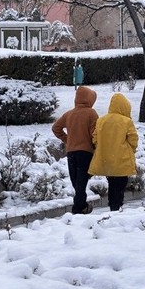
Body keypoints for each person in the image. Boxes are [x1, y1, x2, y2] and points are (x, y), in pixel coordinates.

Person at [52, 86, 99, 214]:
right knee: (81, 180)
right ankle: (79, 208)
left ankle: (81, 206)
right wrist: (96, 148)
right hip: (86, 152)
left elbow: (56, 128)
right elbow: (95, 134)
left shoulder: (69, 114)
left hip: (71, 152)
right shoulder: (91, 113)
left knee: (76, 181)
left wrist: (68, 139)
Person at [89, 93, 139, 212]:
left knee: (112, 183)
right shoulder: (126, 121)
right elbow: (133, 139)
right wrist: (131, 149)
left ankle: (112, 206)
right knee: (121, 184)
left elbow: (94, 138)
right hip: (122, 159)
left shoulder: (101, 120)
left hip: (107, 159)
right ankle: (117, 207)